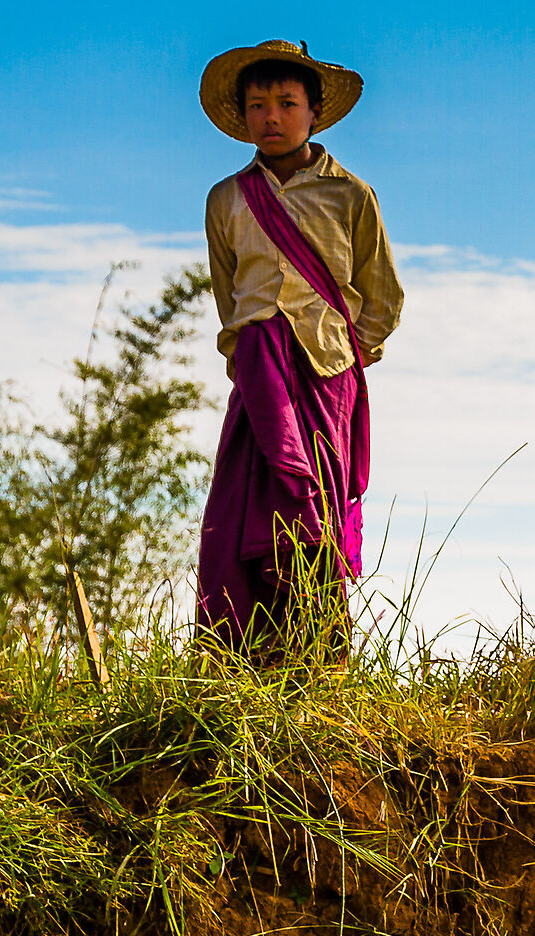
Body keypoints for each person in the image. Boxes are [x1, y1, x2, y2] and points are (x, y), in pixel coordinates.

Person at [195, 40, 403, 658]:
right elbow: (228, 297)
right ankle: (241, 661)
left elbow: (382, 298)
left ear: (314, 111)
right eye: (258, 105)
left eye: (287, 103)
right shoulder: (226, 200)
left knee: (315, 518)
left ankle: (319, 658)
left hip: (326, 377)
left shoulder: (351, 195)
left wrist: (339, 360)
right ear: (243, 116)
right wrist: (259, 358)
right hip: (257, 380)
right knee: (240, 514)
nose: (272, 117)